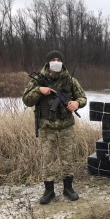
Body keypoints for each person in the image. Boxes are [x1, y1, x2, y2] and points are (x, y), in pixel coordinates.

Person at [23, 50, 87, 204]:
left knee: (68, 158)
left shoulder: (71, 81)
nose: (56, 62)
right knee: (48, 159)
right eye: (53, 59)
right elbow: (26, 100)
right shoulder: (38, 80)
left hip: (66, 127)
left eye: (59, 59)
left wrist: (77, 103)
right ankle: (49, 191)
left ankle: (68, 188)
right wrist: (39, 90)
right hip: (47, 127)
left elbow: (83, 97)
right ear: (48, 62)